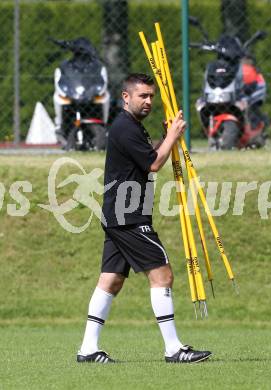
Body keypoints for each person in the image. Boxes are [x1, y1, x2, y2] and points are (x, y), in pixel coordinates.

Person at [77, 73, 212, 364]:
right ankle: (174, 349)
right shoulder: (125, 127)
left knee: (110, 281)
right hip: (129, 216)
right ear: (126, 97)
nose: (149, 101)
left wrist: (166, 137)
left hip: (118, 215)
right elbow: (153, 163)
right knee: (162, 274)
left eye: (151, 96)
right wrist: (174, 137)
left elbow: (148, 155)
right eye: (143, 96)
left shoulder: (132, 127)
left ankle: (87, 349)